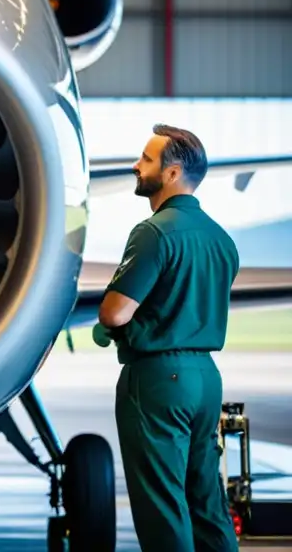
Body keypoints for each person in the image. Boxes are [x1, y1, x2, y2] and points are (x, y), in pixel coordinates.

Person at [97, 124, 239, 552]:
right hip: (205, 378)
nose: (136, 166)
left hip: (159, 379)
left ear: (172, 173)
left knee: (162, 502)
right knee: (206, 498)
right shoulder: (222, 240)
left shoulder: (153, 232)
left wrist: (110, 319)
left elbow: (115, 310)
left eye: (146, 159)